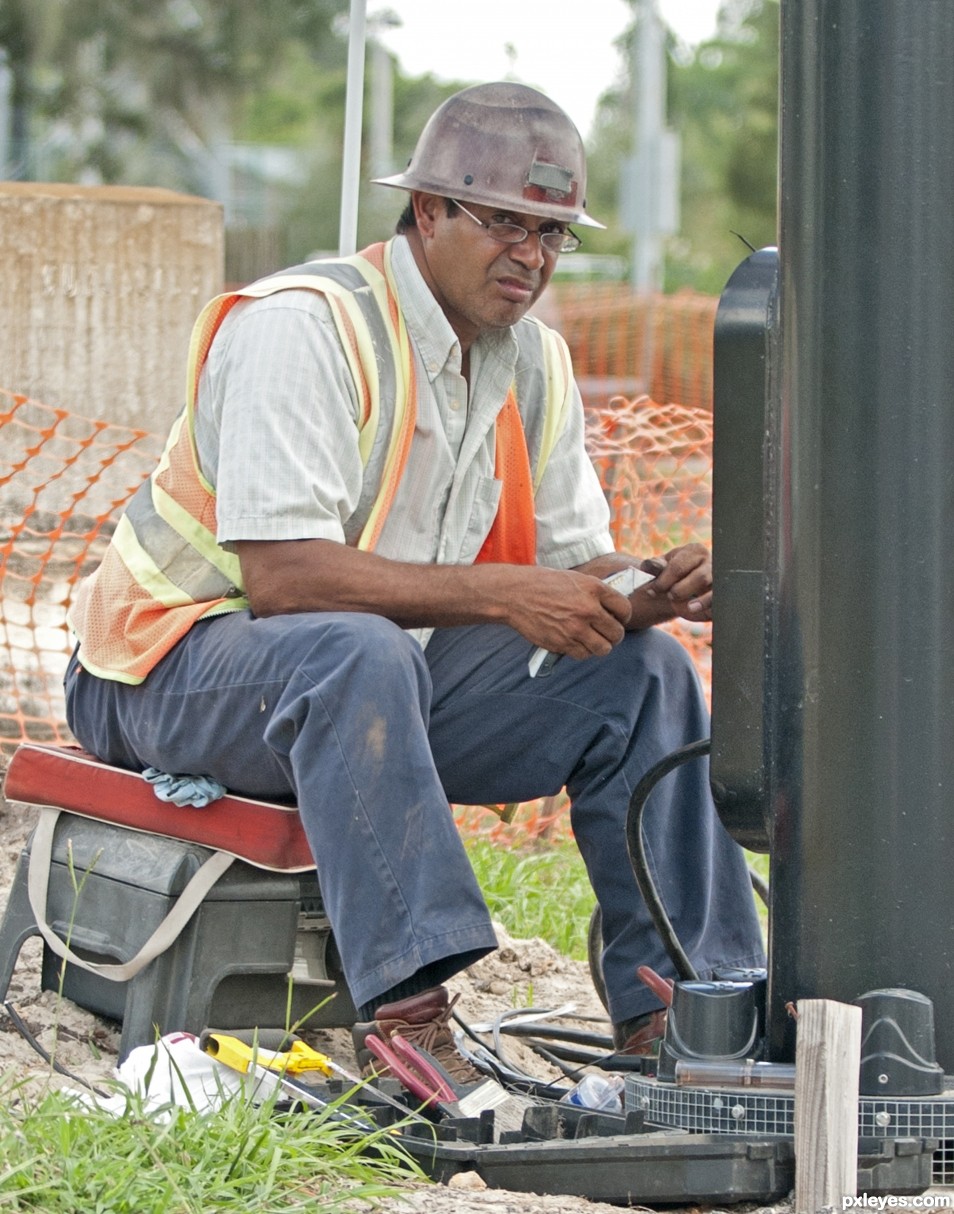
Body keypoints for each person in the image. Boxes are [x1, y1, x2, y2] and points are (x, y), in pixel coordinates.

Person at [64, 82, 764, 1080]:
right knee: (357, 648)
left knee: (640, 670)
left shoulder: (532, 361)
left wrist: (644, 586)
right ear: (428, 211)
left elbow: (574, 561)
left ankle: (692, 1013)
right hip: (159, 670)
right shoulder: (304, 327)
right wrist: (505, 596)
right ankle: (412, 1018)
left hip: (373, 684)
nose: (531, 256)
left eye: (553, 233)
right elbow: (284, 579)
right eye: (506, 223)